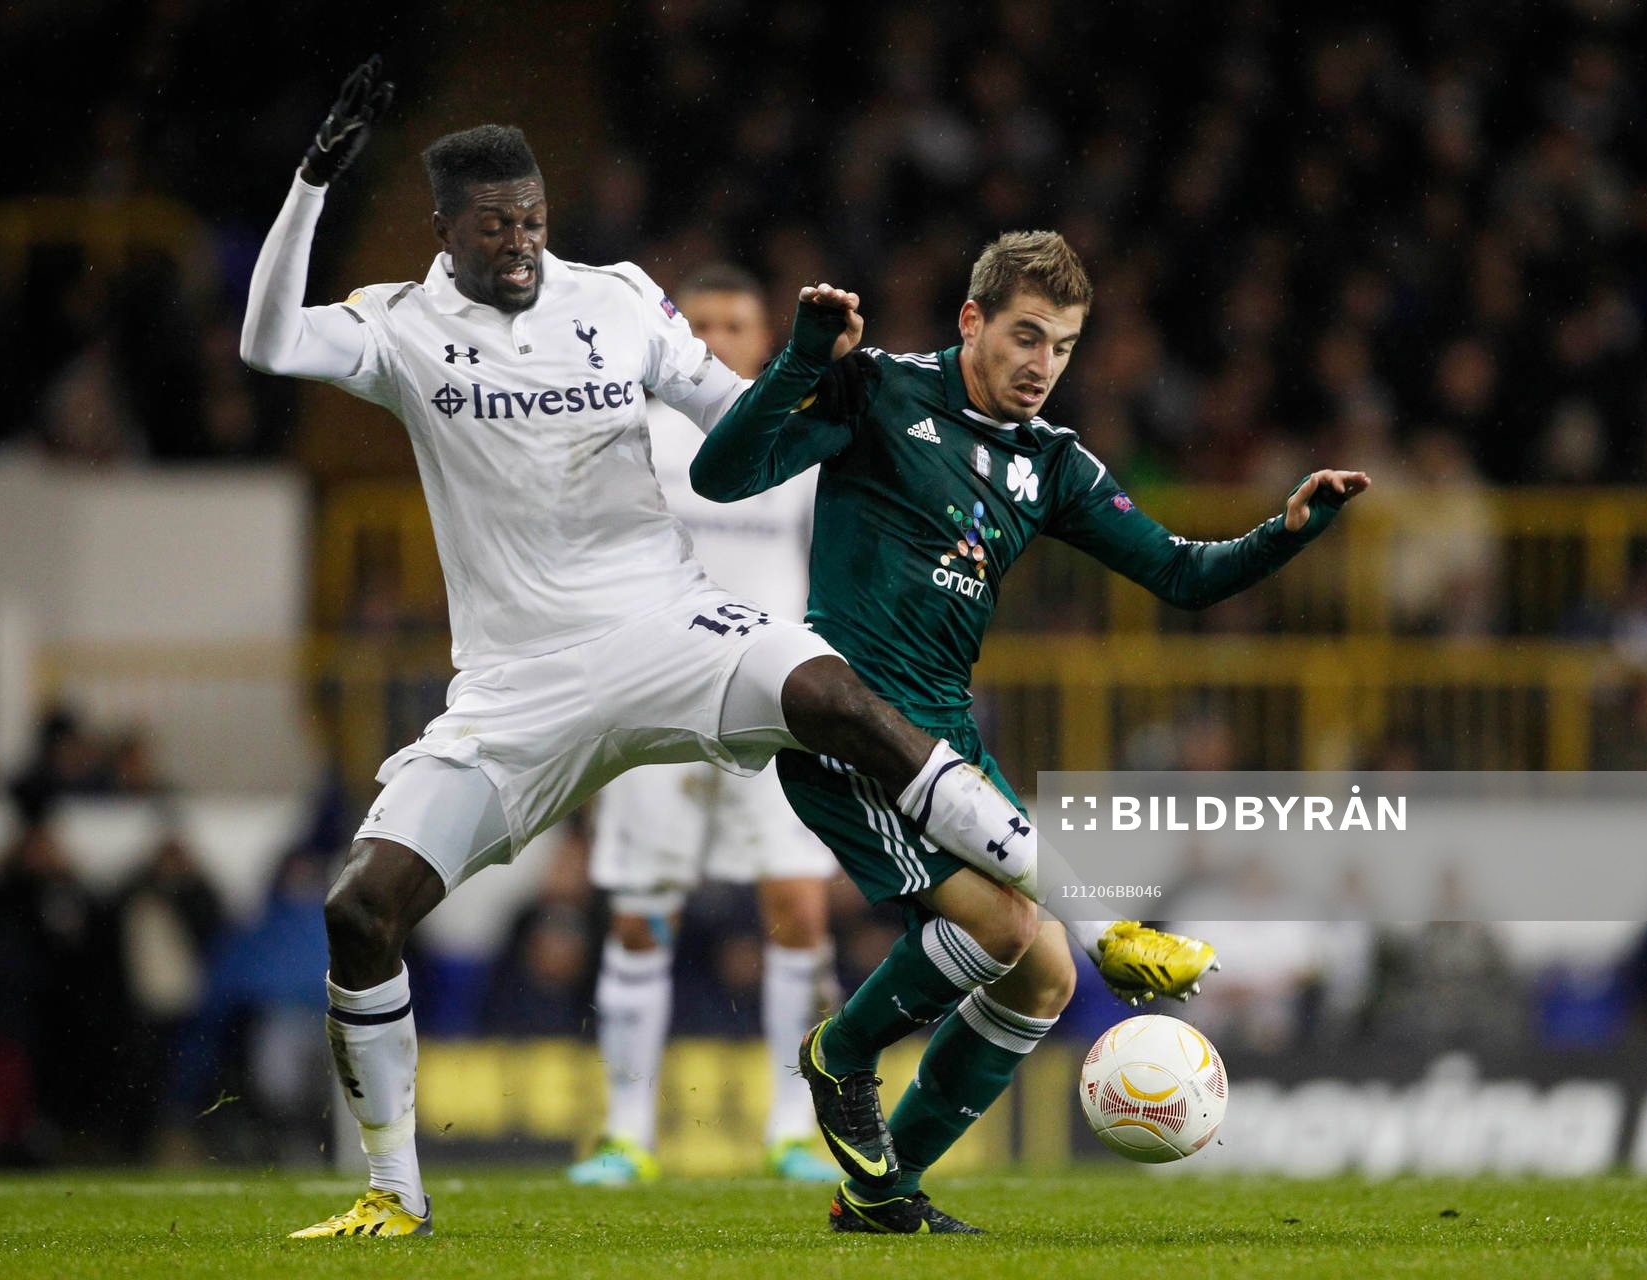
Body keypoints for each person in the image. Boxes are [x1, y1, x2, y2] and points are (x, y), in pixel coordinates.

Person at [240, 60, 1197, 1239]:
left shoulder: (622, 301)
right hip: (517, 684)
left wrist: (815, 374)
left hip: (664, 626)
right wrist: (313, 182)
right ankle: (395, 1189)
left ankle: (1091, 929)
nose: (522, 242)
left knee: (836, 695)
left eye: (535, 218)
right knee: (360, 908)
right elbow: (270, 339)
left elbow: (745, 431)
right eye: (496, 226)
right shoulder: (400, 323)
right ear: (445, 231)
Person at [692, 232, 1369, 1233]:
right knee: (1004, 927)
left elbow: (1182, 574)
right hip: (850, 722)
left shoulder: (1052, 462)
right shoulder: (877, 389)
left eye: (1061, 345)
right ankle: (840, 1051)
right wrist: (800, 359)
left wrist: (1284, 533)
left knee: (1046, 967)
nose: (1041, 364)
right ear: (972, 321)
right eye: (1023, 336)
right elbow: (720, 472)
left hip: (948, 735)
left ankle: (880, 1192)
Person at [569, 265, 840, 1186]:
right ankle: (628, 1130)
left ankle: (792, 1127)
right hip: (659, 700)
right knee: (643, 918)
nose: (720, 339)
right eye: (707, 323)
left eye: (738, 324)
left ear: (765, 341)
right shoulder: (633, 437)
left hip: (775, 704)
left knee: (799, 910)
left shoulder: (800, 444)